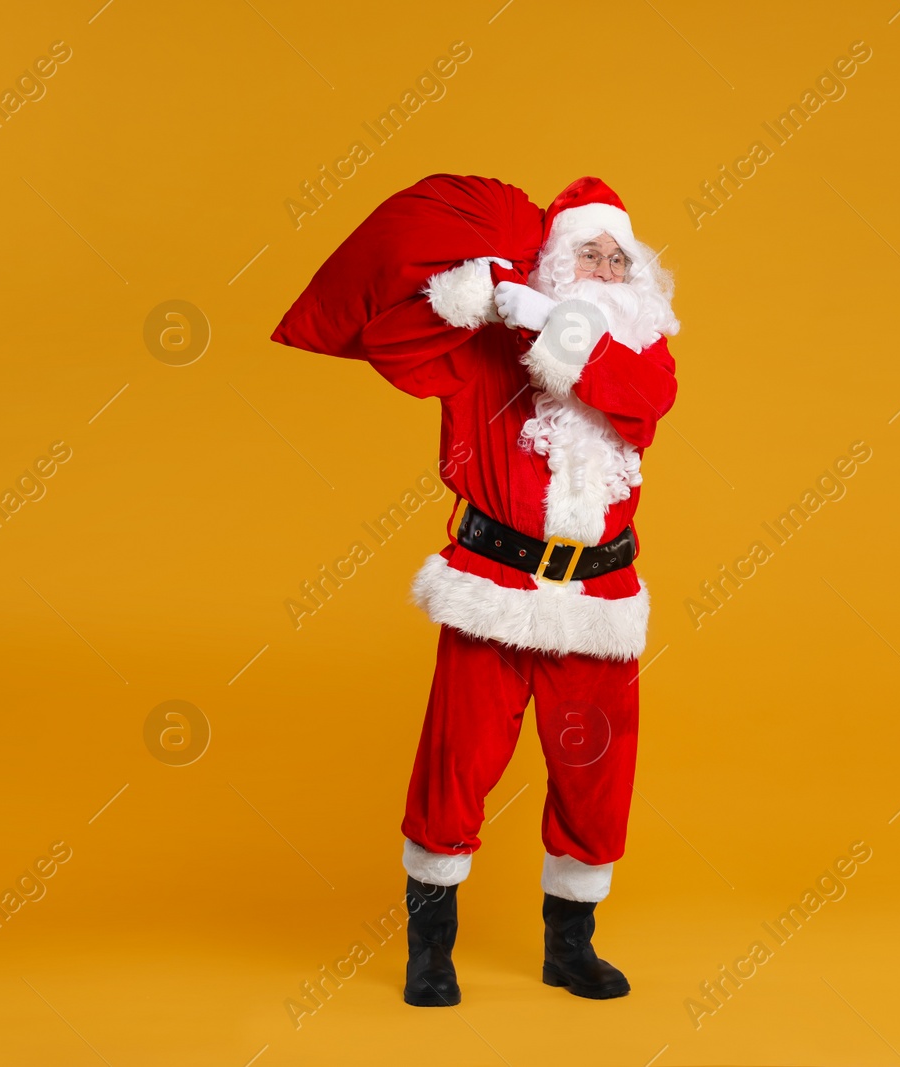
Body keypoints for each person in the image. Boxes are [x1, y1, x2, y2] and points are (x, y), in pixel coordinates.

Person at [275, 176, 679, 1006]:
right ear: (552, 266)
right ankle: (433, 951)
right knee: (455, 764)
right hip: (493, 584)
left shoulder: (647, 355)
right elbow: (388, 343)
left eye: (618, 258)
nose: (605, 270)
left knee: (595, 778)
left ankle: (571, 948)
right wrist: (464, 297)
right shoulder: (488, 350)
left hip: (600, 599)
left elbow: (644, 400)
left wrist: (548, 322)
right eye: (587, 255)